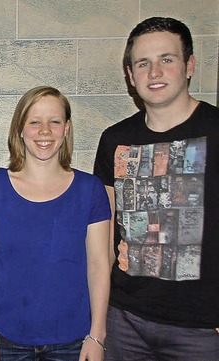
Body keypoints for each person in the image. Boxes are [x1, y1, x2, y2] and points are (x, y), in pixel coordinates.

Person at [93, 17, 219, 360]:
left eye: (167, 59)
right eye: (143, 63)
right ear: (131, 76)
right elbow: (104, 236)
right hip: (125, 322)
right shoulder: (114, 140)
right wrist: (101, 318)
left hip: (201, 329)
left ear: (189, 65)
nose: (154, 73)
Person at [0, 86, 111, 361]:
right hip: (5, 340)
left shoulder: (90, 190)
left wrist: (98, 335)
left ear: (66, 129)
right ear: (20, 128)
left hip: (73, 342)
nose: (44, 131)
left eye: (54, 122)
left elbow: (99, 265)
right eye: (34, 122)